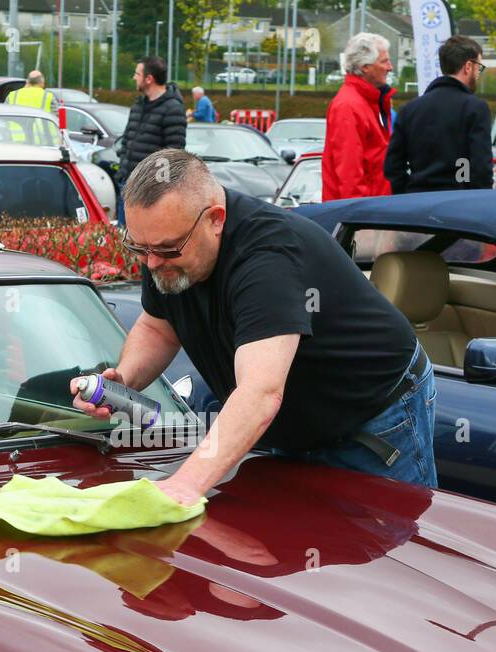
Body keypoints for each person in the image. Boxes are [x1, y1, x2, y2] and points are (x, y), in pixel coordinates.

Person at [75, 148, 436, 506]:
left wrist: (184, 485)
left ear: (216, 219)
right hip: (293, 423)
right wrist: (125, 379)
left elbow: (261, 392)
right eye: (140, 247)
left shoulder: (268, 256)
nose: (152, 262)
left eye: (168, 249)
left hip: (373, 417)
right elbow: (159, 328)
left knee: (393, 546)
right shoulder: (167, 242)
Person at [384, 35, 492, 193]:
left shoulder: (409, 110)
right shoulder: (475, 108)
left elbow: (393, 166)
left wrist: (408, 194)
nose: (478, 75)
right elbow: (480, 167)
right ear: (468, 66)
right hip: (458, 203)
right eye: (479, 68)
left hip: (416, 204)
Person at [322, 33, 395, 201]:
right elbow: (350, 174)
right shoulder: (349, 106)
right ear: (365, 67)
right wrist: (360, 221)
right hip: (364, 214)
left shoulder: (371, 102)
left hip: (374, 209)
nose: (390, 67)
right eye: (384, 61)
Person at [115, 57, 187, 222]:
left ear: (149, 79)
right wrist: (122, 172)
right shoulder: (138, 105)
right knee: (122, 239)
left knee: (143, 244)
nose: (134, 77)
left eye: (137, 74)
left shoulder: (173, 108)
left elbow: (173, 155)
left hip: (149, 193)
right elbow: (127, 140)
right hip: (127, 185)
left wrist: (156, 189)